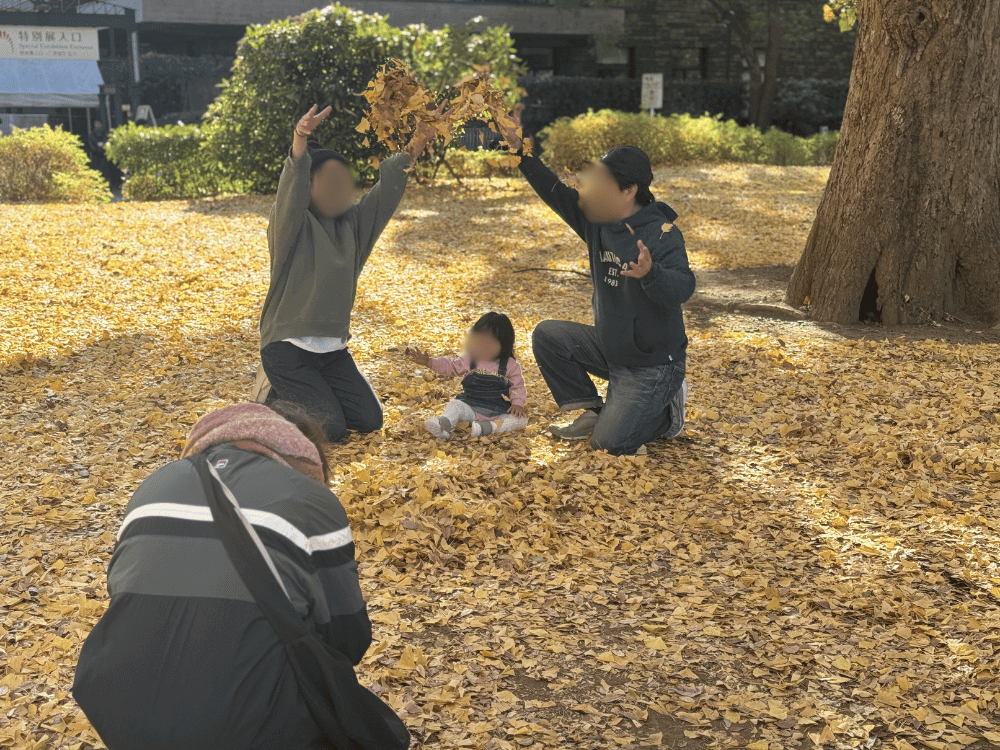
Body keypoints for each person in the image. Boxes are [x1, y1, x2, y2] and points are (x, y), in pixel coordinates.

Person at [73, 402, 371, 750]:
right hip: (246, 728)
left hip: (117, 711)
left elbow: (123, 593)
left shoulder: (154, 484)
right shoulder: (310, 498)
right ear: (303, 452)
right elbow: (349, 637)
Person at [500, 106, 695, 456]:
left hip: (652, 365)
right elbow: (554, 190)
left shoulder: (663, 234)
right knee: (548, 335)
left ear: (628, 191)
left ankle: (667, 415)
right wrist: (519, 147)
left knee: (610, 444)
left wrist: (652, 274)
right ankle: (591, 409)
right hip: (611, 347)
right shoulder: (596, 218)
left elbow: (684, 287)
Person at [254, 103, 437, 442]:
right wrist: (299, 139)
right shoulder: (289, 226)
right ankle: (272, 398)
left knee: (369, 420)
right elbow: (290, 192)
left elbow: (386, 194)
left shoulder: (351, 223)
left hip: (332, 353)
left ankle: (301, 395)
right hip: (287, 349)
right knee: (334, 431)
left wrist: (419, 141)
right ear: (308, 184)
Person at [407, 312, 528, 440]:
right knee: (454, 405)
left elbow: (518, 386)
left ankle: (487, 427)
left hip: (497, 411)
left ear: (504, 343)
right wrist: (429, 362)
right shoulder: (471, 359)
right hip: (470, 407)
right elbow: (451, 367)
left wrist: (518, 404)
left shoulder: (510, 365)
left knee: (520, 420)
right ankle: (443, 425)